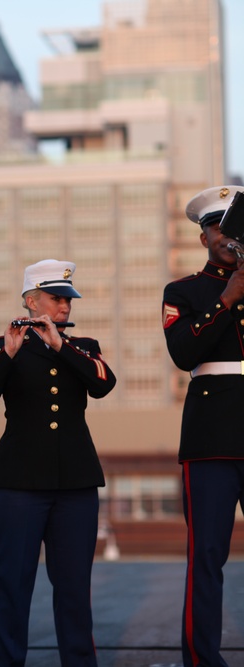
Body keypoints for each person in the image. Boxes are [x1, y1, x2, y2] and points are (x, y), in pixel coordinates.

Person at [0, 259, 116, 667]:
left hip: (75, 483)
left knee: (73, 588)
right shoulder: (1, 347)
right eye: (56, 298)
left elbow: (104, 384)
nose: (65, 306)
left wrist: (59, 345)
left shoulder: (83, 347)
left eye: (68, 298)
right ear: (31, 301)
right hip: (18, 483)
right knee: (12, 586)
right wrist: (9, 355)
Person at [161, 184, 244, 667]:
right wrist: (227, 299)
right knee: (208, 557)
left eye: (236, 228)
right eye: (219, 229)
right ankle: (202, 659)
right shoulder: (184, 291)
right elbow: (184, 353)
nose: (229, 238)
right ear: (205, 237)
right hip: (212, 436)